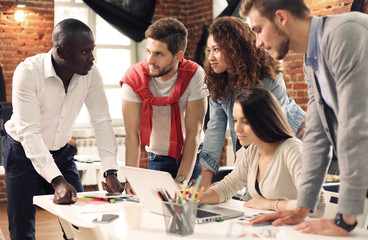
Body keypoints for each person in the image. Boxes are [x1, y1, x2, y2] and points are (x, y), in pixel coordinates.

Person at [240, 0, 368, 236]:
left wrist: (345, 220)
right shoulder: (312, 62)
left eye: (258, 30)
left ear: (281, 17)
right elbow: (317, 136)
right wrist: (302, 206)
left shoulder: (345, 33)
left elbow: (356, 128)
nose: (258, 43)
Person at [4, 19, 124, 240]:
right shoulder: (28, 72)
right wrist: (57, 180)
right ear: (61, 52)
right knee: (22, 230)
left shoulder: (91, 74)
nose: (92, 58)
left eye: (92, 50)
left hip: (61, 153)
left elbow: (102, 121)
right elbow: (29, 133)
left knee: (79, 224)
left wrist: (111, 171)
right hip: (22, 153)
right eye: (85, 51)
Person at [198, 16, 305, 188]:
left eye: (216, 49)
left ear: (234, 49)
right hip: (261, 143)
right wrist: (205, 176)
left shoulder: (266, 76)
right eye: (209, 50)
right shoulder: (219, 81)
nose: (211, 57)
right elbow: (216, 126)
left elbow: (273, 127)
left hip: (294, 135)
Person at [200, 88, 324, 217]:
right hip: (270, 227)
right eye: (235, 121)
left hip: (295, 230)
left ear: (264, 120)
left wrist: (270, 204)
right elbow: (228, 186)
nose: (237, 129)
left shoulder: (292, 149)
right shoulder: (253, 151)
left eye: (245, 122)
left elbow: (317, 205)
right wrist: (197, 198)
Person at [120, 17, 207, 193]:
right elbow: (132, 135)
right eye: (148, 51)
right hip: (158, 156)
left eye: (158, 54)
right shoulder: (133, 78)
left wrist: (182, 179)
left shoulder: (195, 74)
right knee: (159, 213)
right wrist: (131, 181)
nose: (150, 60)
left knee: (195, 210)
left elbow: (194, 133)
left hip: (195, 153)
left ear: (178, 56)